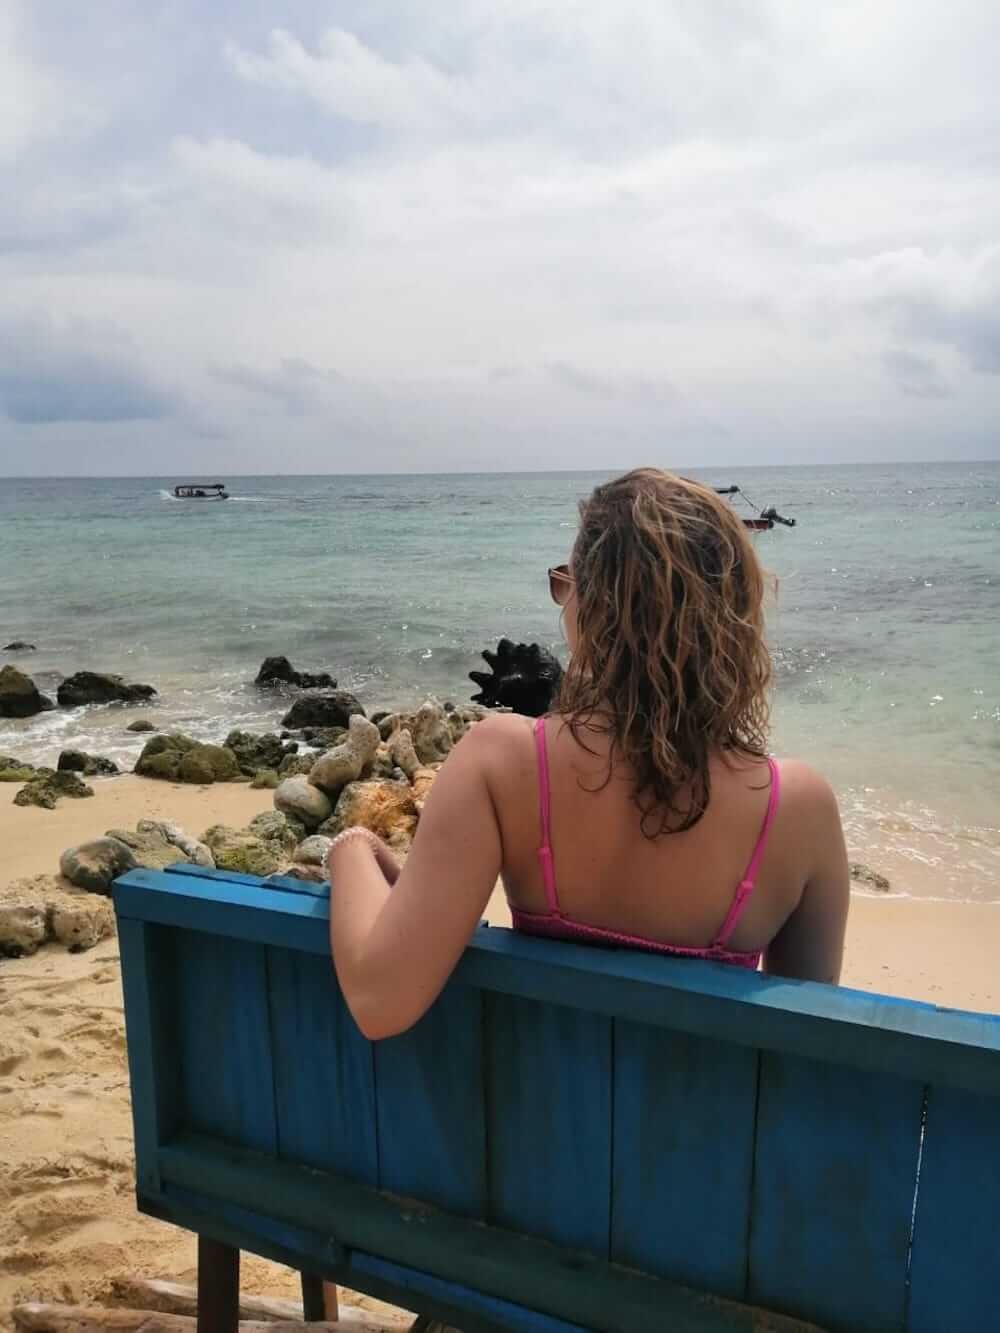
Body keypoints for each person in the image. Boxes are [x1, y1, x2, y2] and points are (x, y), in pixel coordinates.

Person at [328, 468, 849, 1040]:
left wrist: (351, 848)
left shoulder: (502, 762)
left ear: (597, 605)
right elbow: (807, 1040)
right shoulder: (799, 808)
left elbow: (379, 1002)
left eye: (567, 581)